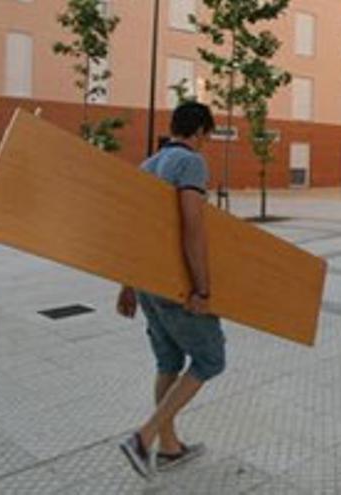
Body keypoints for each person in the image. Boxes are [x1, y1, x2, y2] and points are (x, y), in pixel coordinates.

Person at [115, 102, 223, 478]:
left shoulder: (148, 164)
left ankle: (170, 447)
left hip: (147, 283)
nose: (206, 143)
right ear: (199, 132)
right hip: (175, 284)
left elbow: (133, 228)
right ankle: (143, 439)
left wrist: (127, 283)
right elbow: (192, 226)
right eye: (207, 136)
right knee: (211, 360)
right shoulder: (190, 163)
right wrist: (203, 289)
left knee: (169, 363)